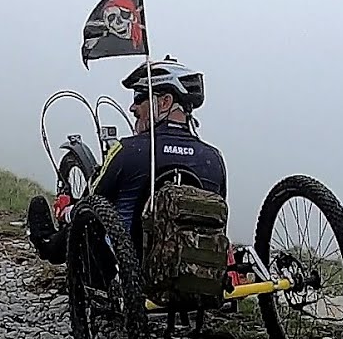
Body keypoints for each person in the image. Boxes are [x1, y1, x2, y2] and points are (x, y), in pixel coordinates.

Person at [27, 57, 228, 265]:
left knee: (85, 216)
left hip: (128, 270)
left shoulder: (127, 150)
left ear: (165, 102)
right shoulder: (214, 159)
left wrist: (66, 212)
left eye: (140, 97)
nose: (132, 107)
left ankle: (48, 244)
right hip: (194, 269)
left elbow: (91, 203)